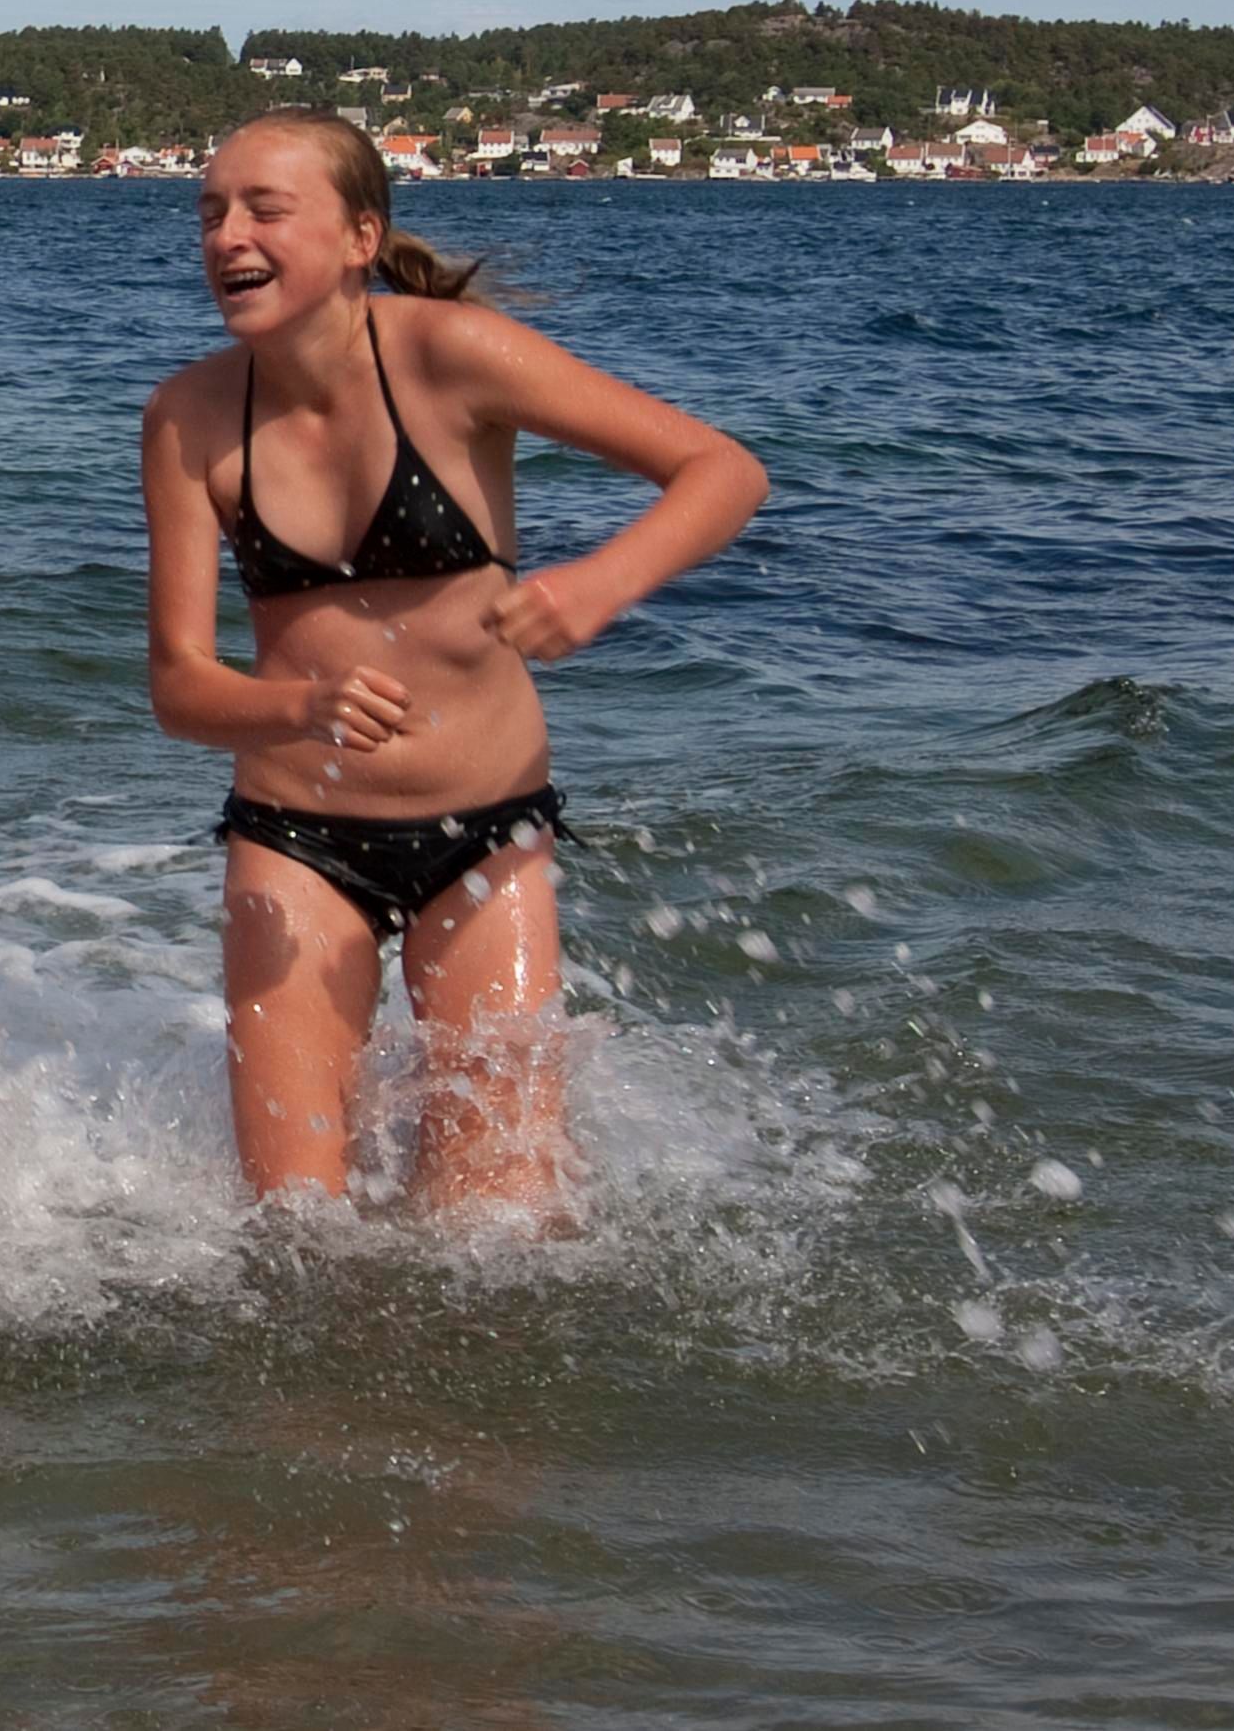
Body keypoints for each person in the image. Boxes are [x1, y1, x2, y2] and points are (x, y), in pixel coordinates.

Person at [141, 110, 766, 1219]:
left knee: (498, 1231)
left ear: (357, 237)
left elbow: (718, 471)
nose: (226, 235)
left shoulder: (449, 354)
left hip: (483, 836)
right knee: (293, 1231)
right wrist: (302, 702)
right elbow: (180, 688)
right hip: (292, 843)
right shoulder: (188, 418)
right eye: (210, 214)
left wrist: (597, 584)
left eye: (263, 209)